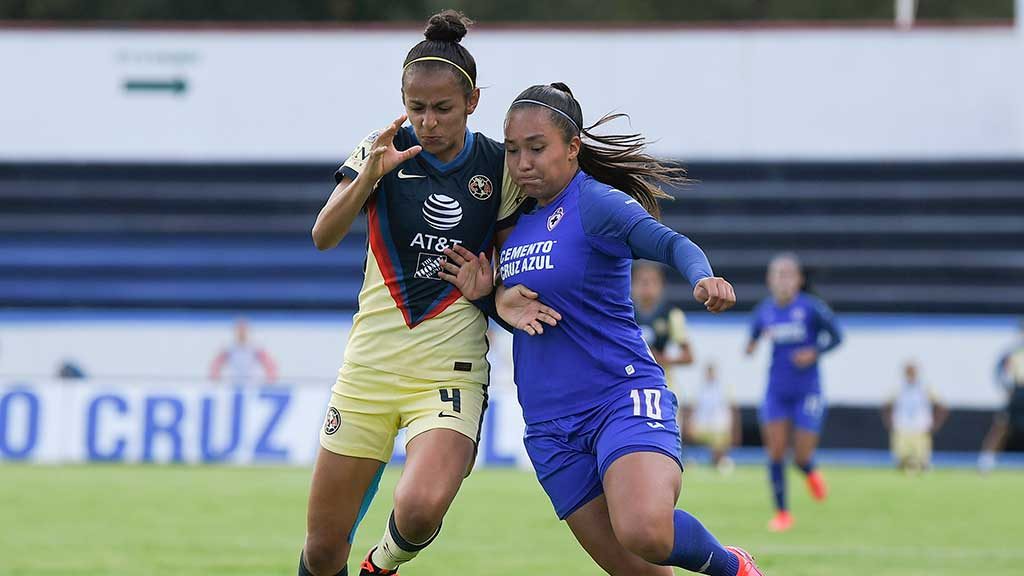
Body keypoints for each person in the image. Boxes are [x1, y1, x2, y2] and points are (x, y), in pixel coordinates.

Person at [442, 83, 763, 576]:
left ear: (572, 148)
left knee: (645, 531)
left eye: (536, 147)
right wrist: (488, 296)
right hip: (550, 426)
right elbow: (522, 313)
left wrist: (704, 278)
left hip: (619, 397)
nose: (522, 162)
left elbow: (673, 244)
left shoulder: (595, 205)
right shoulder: (512, 223)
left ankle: (733, 567)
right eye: (511, 150)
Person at [299, 11, 542, 576]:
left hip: (448, 370)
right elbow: (322, 236)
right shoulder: (383, 149)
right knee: (321, 548)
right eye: (417, 108)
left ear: (474, 101)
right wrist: (369, 175)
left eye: (443, 108)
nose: (428, 122)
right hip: (370, 368)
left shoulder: (496, 166)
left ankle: (380, 565)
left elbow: (510, 261)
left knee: (420, 507)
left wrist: (496, 293)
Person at [745, 252, 842, 532]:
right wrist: (750, 347)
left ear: (799, 280)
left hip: (807, 391)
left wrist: (815, 352)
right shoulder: (765, 311)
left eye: (788, 274)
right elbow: (751, 340)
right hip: (776, 391)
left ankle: (809, 469)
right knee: (775, 452)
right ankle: (783, 513)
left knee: (800, 455)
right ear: (769, 279)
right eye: (778, 274)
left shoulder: (811, 308)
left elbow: (837, 336)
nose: (783, 280)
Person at [632, 260, 694, 432]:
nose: (646, 286)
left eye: (651, 281)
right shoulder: (622, 313)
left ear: (661, 285)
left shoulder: (672, 315)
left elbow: (689, 356)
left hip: (662, 385)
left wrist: (661, 359)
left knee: (666, 437)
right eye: (640, 281)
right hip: (628, 386)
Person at [882, 361, 948, 473]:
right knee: (900, 461)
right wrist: (890, 423)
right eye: (908, 372)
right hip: (902, 428)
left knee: (923, 462)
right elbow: (886, 405)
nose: (910, 375)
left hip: (920, 428)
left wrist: (935, 424)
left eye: (912, 372)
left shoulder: (925, 388)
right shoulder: (898, 388)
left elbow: (941, 406)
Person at [978, 318, 1024, 473]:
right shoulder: (1014, 352)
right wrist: (1007, 389)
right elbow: (1000, 372)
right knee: (1002, 425)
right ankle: (987, 460)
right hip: (1018, 392)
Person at [683, 362, 740, 474]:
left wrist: (734, 428)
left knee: (718, 440)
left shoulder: (723, 389)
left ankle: (718, 461)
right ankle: (693, 459)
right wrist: (691, 423)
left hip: (720, 425)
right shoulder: (700, 389)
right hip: (704, 425)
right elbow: (695, 408)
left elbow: (731, 409)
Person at [208, 318, 278, 386]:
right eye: (239, 330)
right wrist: (215, 379)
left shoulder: (255, 347)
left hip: (252, 383)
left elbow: (269, 365)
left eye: (244, 330)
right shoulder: (229, 348)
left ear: (248, 331)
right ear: (235, 331)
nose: (241, 333)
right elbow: (216, 365)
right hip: (234, 383)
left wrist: (270, 380)